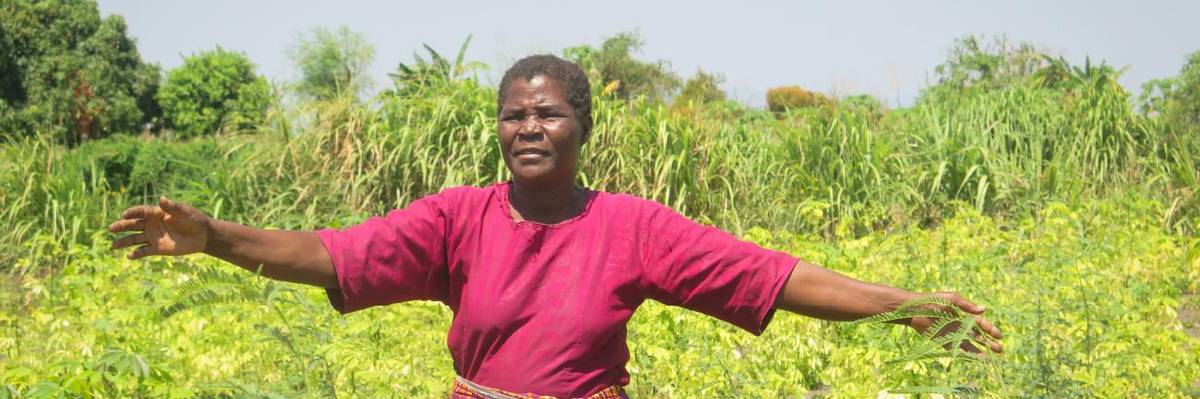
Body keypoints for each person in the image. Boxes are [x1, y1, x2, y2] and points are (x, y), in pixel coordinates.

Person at [108, 55, 1002, 399]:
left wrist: (905, 304)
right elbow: (332, 253)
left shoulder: (631, 228)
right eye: (513, 114)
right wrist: (218, 234)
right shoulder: (457, 219)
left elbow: (768, 276)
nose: (528, 126)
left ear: (581, 126)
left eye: (547, 114)